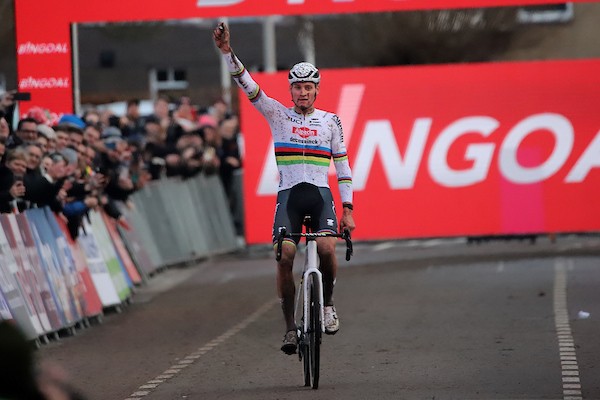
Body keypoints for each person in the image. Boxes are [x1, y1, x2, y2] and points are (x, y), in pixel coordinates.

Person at [213, 22, 356, 355]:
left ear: (317, 90)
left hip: (320, 195)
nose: (302, 93)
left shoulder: (331, 121)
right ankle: (291, 329)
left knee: (325, 249)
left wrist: (347, 208)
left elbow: (344, 166)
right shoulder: (277, 115)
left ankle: (328, 305)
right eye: (297, 87)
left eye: (308, 87)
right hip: (290, 196)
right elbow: (248, 86)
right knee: (285, 256)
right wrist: (226, 53)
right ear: (290, 91)